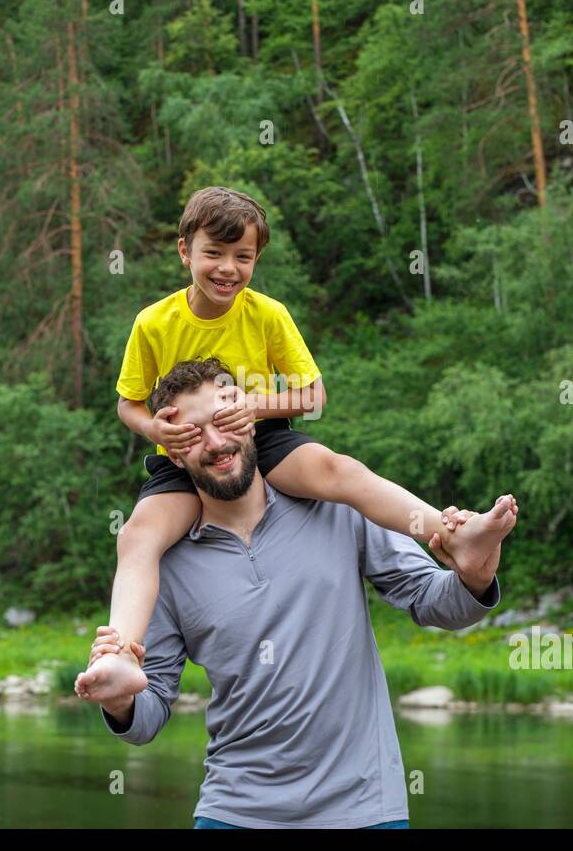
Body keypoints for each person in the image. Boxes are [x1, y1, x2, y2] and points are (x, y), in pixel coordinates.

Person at [75, 186, 516, 703]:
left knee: (340, 470)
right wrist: (156, 430)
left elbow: (312, 394)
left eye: (243, 257)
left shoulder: (267, 314)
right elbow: (128, 404)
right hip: (185, 452)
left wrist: (253, 408)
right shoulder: (154, 322)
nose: (227, 269)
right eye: (213, 253)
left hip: (265, 436)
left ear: (257, 259)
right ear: (184, 251)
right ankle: (122, 654)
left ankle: (453, 533)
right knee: (136, 537)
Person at [79, 358, 517, 828]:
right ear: (175, 453)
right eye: (193, 433)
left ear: (250, 421)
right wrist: (120, 703)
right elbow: (150, 712)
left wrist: (474, 577)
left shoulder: (337, 505)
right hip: (234, 813)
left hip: (365, 810)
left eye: (224, 420)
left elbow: (431, 598)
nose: (216, 442)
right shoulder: (164, 563)